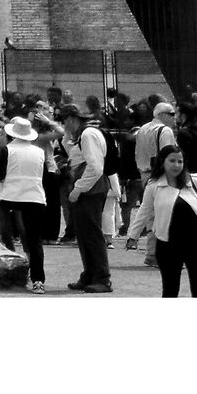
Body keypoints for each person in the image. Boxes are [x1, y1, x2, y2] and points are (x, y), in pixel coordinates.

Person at [124, 143, 197, 297]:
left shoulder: (194, 182)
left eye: (180, 161)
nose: (177, 165)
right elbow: (144, 211)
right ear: (162, 161)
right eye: (172, 161)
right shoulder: (154, 185)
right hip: (168, 244)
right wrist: (133, 235)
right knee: (170, 290)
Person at [0, 115, 49, 291]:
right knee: (34, 240)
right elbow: (42, 175)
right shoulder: (39, 151)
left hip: (11, 196)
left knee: (3, 230)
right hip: (34, 196)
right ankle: (38, 280)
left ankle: (5, 271)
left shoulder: (8, 149)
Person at [59, 105, 112, 292]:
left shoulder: (88, 135)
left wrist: (78, 189)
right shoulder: (84, 135)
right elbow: (73, 153)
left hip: (91, 188)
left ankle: (102, 278)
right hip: (89, 187)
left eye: (64, 121)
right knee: (83, 234)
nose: (64, 125)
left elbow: (95, 167)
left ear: (73, 119)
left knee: (91, 234)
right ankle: (90, 274)